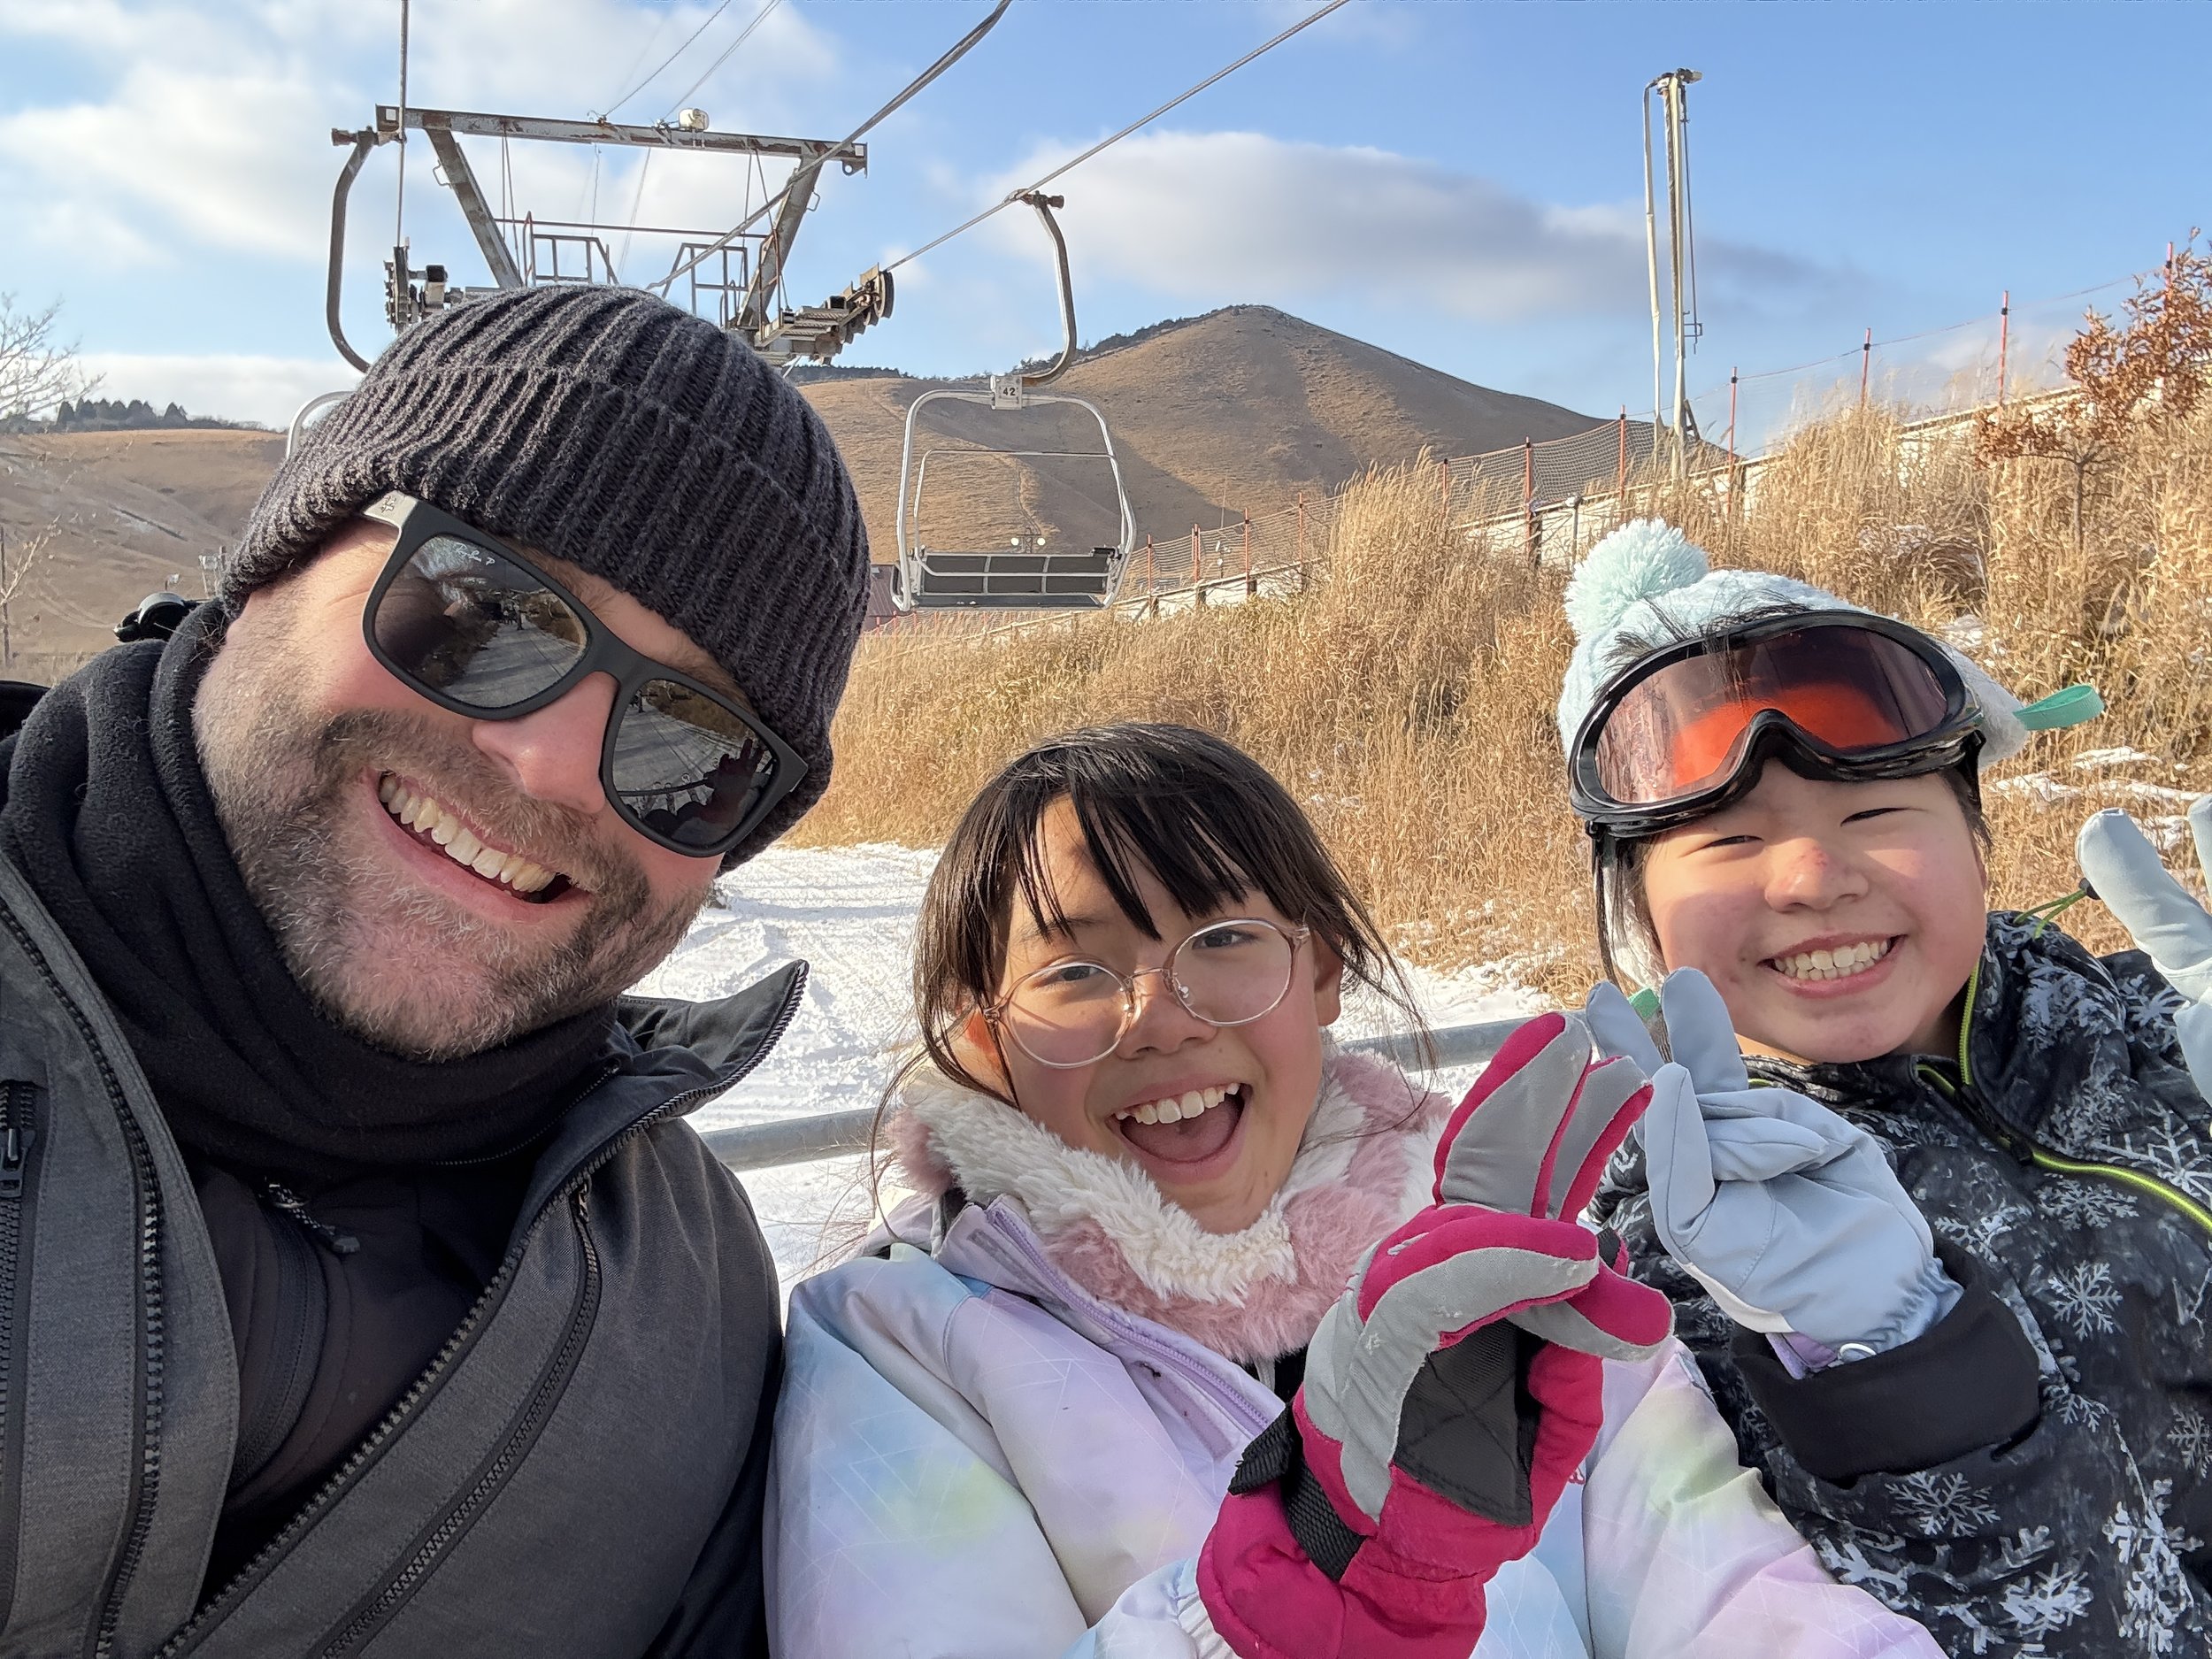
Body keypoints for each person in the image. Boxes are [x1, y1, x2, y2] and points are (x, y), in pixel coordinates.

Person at [0, 284, 869, 1655]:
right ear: (274, 563)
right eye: (485, 607)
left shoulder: (693, 1314)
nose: (553, 768)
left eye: (691, 746)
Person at [767, 721, 1943, 1658]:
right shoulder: (897, 1348)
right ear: (986, 1038)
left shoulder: (1499, 1268)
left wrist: (1895, 1350)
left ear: (1320, 969)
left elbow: (1736, 1589)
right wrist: (1298, 1576)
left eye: (1222, 935)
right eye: (1076, 968)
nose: (1165, 1016)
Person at [1559, 519, 2212, 1655]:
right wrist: (1901, 1376)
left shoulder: (2155, 1029)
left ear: (1976, 837)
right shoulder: (1677, 1252)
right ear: (1636, 911)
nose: (1814, 877)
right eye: (1727, 841)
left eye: (1873, 814)